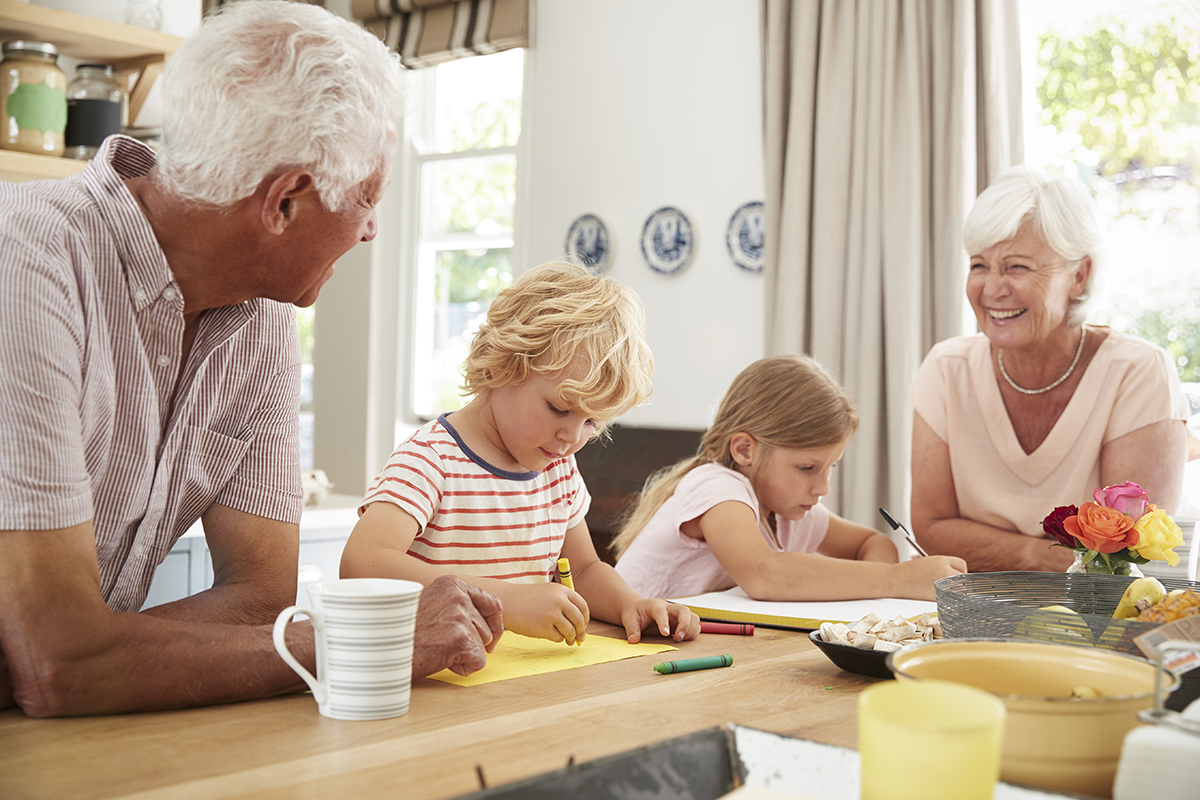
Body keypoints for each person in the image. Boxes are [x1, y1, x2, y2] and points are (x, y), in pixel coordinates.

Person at [0, 0, 501, 719]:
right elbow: (59, 667)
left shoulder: (262, 315)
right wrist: (363, 644)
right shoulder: (26, 261)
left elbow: (258, 603)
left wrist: (93, 651)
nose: (370, 229)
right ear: (286, 202)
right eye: (367, 198)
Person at [340, 261, 701, 645]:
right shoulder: (432, 459)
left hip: (517, 681)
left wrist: (632, 604)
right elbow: (361, 564)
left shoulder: (557, 469)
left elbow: (585, 569)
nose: (572, 437)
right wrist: (504, 600)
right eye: (559, 409)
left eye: (591, 423)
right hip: (434, 677)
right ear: (499, 366)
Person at [910, 165, 1189, 572]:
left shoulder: (1138, 372)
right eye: (979, 265)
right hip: (970, 613)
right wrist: (1037, 555)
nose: (991, 289)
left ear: (1079, 275)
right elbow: (931, 529)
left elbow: (1125, 553)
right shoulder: (947, 368)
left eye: (1017, 267)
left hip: (1095, 617)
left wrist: (989, 548)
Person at [611, 355, 966, 601]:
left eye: (831, 468)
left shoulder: (788, 512)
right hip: (623, 652)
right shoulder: (716, 487)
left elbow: (873, 545)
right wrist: (899, 580)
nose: (823, 488)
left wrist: (869, 587)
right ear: (744, 450)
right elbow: (765, 574)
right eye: (807, 468)